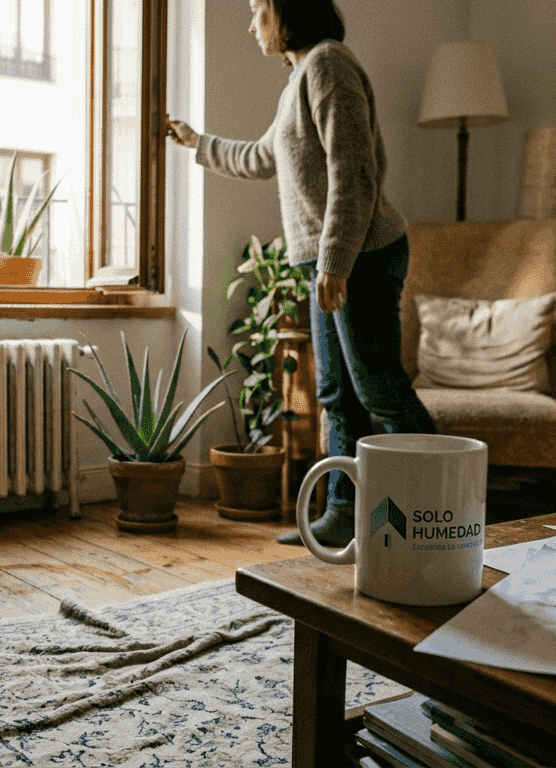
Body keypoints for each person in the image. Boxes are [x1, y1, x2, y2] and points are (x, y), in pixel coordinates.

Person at [167, 0, 436, 546]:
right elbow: (266, 156)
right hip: (332, 261)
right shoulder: (299, 79)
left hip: (360, 255)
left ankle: (446, 505)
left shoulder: (328, 64)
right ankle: (343, 515)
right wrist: (198, 143)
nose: (251, 25)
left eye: (257, 11)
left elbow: (354, 171)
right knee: (337, 392)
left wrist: (337, 263)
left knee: (377, 388)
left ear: (286, 10)